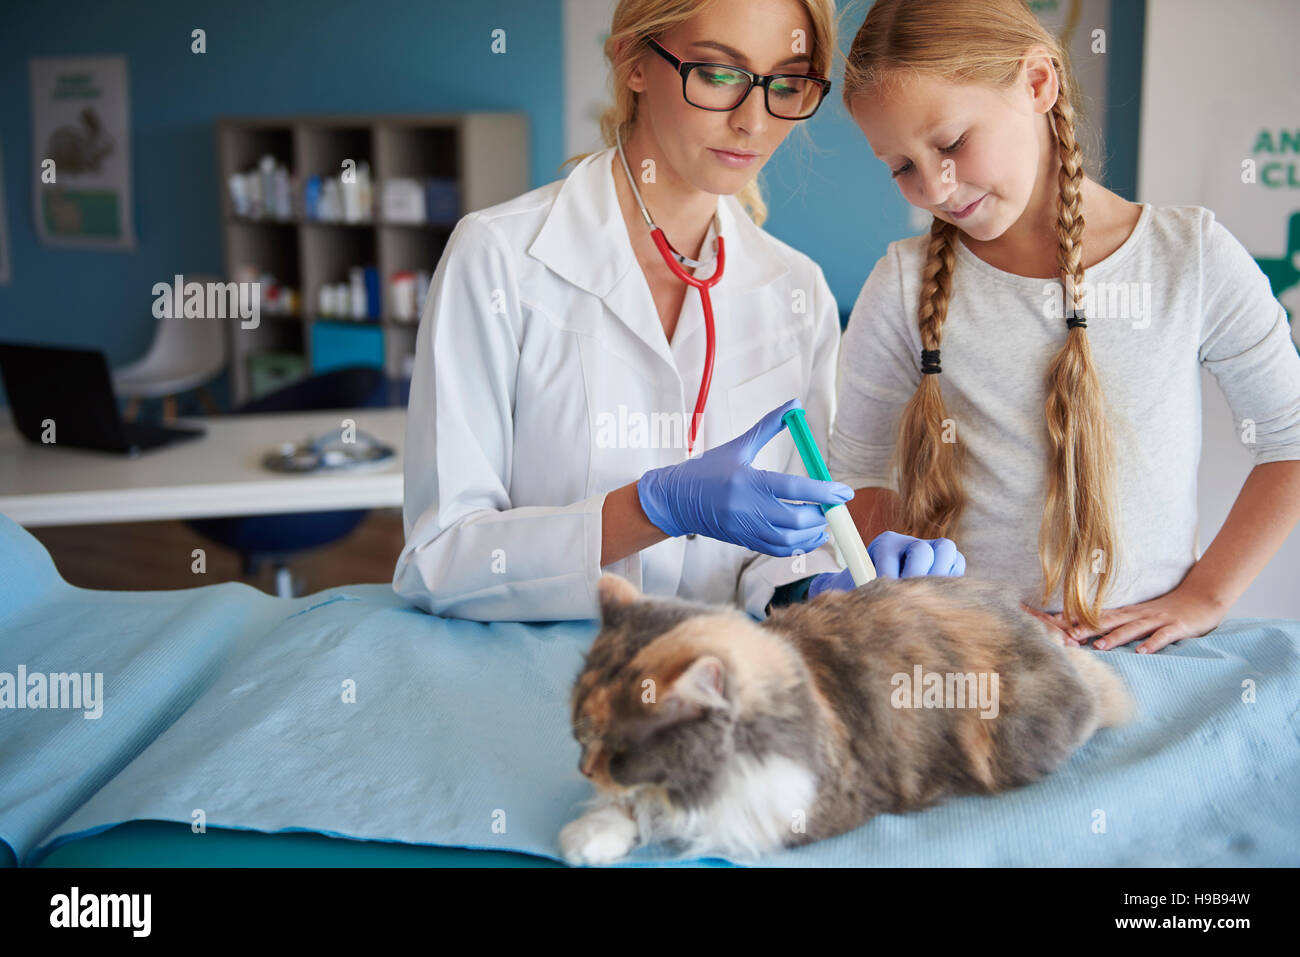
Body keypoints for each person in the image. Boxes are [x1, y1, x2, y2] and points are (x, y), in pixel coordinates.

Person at [392, 0, 964, 622]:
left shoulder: (794, 291)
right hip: (534, 680)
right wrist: (651, 509)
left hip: (722, 689)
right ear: (634, 61)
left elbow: (789, 548)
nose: (754, 122)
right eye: (720, 74)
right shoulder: (500, 259)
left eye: (789, 83)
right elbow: (439, 560)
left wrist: (821, 591)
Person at [830, 0, 1300, 652]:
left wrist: (1206, 595)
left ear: (1038, 84)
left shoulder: (1189, 257)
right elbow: (857, 470)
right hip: (979, 658)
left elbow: (1292, 436)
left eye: (950, 143)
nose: (935, 189)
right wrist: (936, 606)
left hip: (1148, 661)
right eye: (902, 167)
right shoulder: (903, 286)